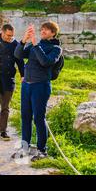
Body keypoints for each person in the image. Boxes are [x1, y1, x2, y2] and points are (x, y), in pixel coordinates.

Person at [14, 21, 62, 161]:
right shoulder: (36, 44)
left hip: (41, 86)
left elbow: (46, 62)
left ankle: (42, 151)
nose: (43, 31)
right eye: (42, 29)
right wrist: (24, 40)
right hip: (27, 85)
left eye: (46, 30)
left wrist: (35, 45)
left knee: (39, 118)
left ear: (53, 33)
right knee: (25, 117)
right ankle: (25, 148)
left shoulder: (56, 48)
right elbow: (18, 55)